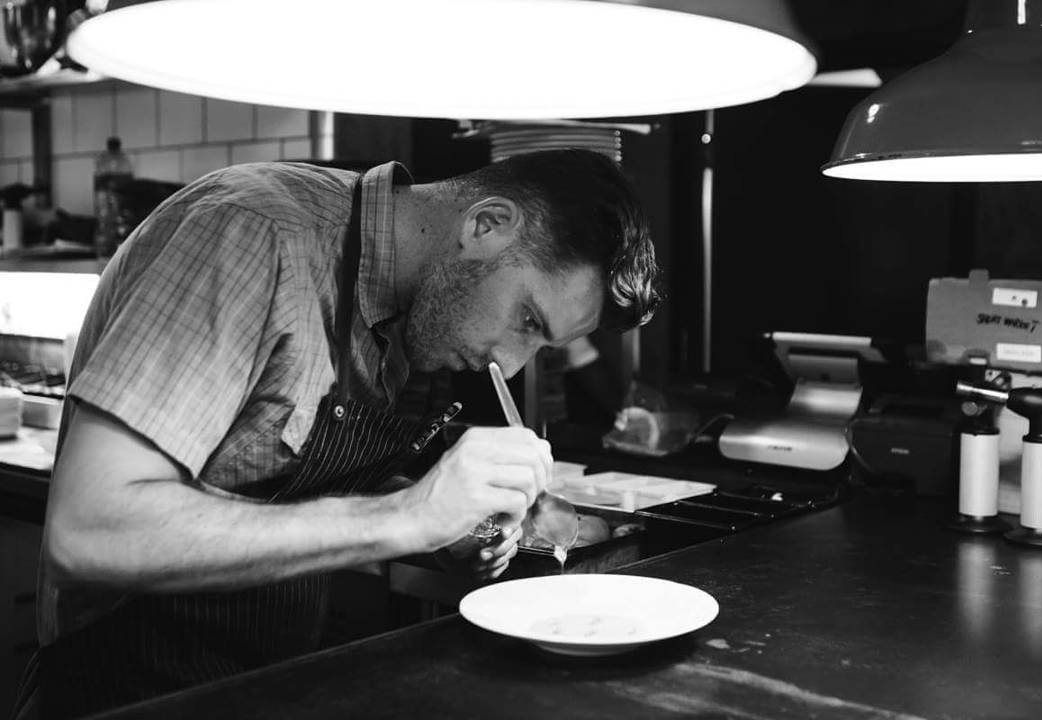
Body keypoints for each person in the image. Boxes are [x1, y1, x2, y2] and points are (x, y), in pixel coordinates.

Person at [13, 148, 660, 719]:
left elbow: (278, 478)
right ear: (486, 225)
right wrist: (406, 517)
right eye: (527, 320)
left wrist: (451, 525)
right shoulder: (250, 233)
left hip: (262, 683)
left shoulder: (413, 310)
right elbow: (89, 529)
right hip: (130, 687)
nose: (511, 364)